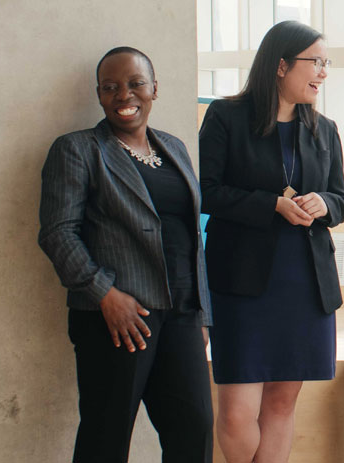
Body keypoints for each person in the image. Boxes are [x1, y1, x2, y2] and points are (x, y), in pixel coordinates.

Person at [38, 47, 213, 462]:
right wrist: (105, 294)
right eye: (110, 87)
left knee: (194, 433)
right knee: (107, 437)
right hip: (117, 318)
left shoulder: (174, 147)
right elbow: (58, 233)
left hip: (181, 314)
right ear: (99, 95)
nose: (124, 95)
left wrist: (202, 314)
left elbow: (192, 236)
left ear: (154, 88)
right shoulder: (78, 149)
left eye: (135, 84)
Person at [199, 20, 344, 463]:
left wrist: (323, 203)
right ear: (281, 65)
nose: (323, 72)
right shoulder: (226, 117)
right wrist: (272, 205)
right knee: (235, 414)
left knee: (282, 405)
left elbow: (340, 198)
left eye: (326, 63)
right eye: (315, 62)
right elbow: (205, 190)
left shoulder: (325, 128)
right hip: (241, 282)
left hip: (304, 283)